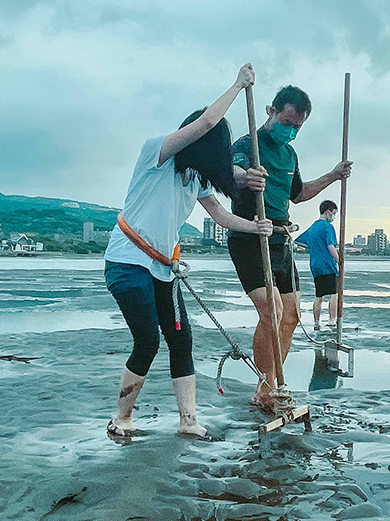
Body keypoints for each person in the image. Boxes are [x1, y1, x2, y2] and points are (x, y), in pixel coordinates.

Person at [103, 64, 273, 439]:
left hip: (163, 267)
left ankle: (188, 420)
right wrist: (237, 84)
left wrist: (257, 225)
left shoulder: (194, 177)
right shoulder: (157, 154)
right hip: (127, 262)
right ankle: (122, 416)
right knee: (147, 340)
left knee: (181, 338)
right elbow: (210, 122)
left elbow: (221, 215)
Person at [228, 85, 352, 411]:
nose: (291, 131)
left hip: (281, 240)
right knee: (272, 310)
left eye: (297, 127)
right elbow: (231, 172)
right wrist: (246, 178)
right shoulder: (248, 144)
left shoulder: (289, 155)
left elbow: (298, 193)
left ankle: (266, 385)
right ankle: (268, 385)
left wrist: (334, 176)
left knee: (292, 315)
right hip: (250, 238)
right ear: (271, 111)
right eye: (287, 122)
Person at [295, 200, 341, 331]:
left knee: (318, 295)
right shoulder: (327, 227)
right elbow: (330, 246)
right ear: (327, 212)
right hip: (327, 264)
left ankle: (316, 322)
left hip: (315, 265)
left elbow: (299, 241)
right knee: (333, 293)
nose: (334, 217)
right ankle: (332, 320)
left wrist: (313, 247)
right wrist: (339, 260)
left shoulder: (313, 227)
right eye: (334, 213)